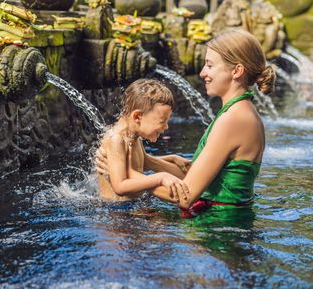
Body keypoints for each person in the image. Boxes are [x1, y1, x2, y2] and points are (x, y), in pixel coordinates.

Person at [98, 29, 276, 217]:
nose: (202, 73)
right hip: (222, 221)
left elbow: (186, 196)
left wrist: (125, 173)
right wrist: (149, 162)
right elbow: (195, 178)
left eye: (209, 65)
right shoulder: (238, 111)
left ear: (237, 71)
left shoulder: (234, 119)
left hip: (220, 229)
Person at [97, 79, 191, 202]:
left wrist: (171, 158)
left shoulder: (134, 136)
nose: (166, 127)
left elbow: (143, 162)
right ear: (138, 116)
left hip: (133, 205)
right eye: (162, 121)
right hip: (116, 212)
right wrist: (160, 178)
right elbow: (119, 186)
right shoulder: (116, 139)